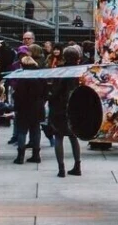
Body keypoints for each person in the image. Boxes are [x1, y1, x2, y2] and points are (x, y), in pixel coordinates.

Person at [48, 45, 83, 177]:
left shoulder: (60, 70)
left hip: (60, 107)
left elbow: (56, 90)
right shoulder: (81, 71)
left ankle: (61, 168)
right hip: (74, 107)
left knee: (58, 136)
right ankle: (77, 166)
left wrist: (50, 97)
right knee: (74, 137)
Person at [11, 55, 48, 165]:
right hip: (37, 107)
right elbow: (46, 93)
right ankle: (36, 155)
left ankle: (20, 156)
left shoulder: (22, 77)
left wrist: (15, 107)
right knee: (36, 130)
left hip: (24, 108)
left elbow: (18, 95)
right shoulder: (41, 76)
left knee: (22, 131)